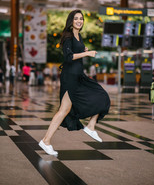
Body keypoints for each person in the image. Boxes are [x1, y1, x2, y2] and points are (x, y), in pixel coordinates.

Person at [39, 9, 110, 156]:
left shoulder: (78, 35)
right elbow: (68, 57)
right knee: (64, 110)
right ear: (71, 20)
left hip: (78, 76)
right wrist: (87, 53)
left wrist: (82, 48)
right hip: (70, 78)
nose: (79, 21)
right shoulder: (68, 35)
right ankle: (46, 141)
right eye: (76, 18)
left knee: (99, 96)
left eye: (81, 19)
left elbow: (74, 51)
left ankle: (90, 126)